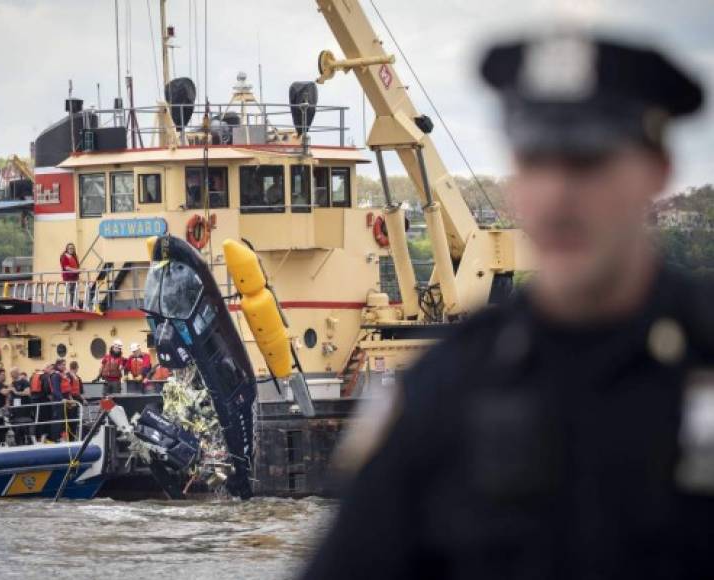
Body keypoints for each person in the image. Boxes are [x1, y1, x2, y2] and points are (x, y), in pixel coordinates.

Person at [303, 32, 713, 580]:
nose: (559, 194)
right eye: (537, 161)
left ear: (658, 171)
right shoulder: (445, 392)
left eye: (587, 162)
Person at [30, 363, 55, 442]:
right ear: (47, 368)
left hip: (33, 401)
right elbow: (47, 388)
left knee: (36, 419)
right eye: (51, 369)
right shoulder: (45, 376)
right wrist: (50, 396)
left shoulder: (33, 376)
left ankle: (35, 438)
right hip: (43, 400)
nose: (51, 371)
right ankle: (43, 438)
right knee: (45, 419)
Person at [7, 367, 33, 446]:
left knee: (25, 426)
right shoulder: (12, 383)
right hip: (15, 410)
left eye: (12, 374)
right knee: (16, 427)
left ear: (16, 373)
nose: (11, 376)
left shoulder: (24, 382)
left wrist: (16, 392)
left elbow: (27, 392)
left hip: (24, 408)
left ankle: (28, 440)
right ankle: (18, 442)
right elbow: (9, 395)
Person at [60, 242, 79, 307]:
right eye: (70, 248)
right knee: (71, 292)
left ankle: (74, 305)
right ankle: (72, 306)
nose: (71, 250)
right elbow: (66, 267)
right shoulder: (64, 256)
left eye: (73, 248)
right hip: (68, 278)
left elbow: (76, 266)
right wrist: (77, 270)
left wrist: (79, 270)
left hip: (74, 277)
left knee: (74, 292)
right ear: (67, 249)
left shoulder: (74, 256)